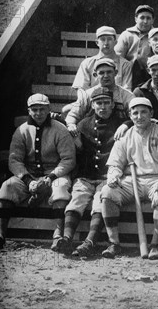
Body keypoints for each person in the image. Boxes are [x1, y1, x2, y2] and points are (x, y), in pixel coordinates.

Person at [0, 94, 76, 250]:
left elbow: (68, 159)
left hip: (54, 173)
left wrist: (51, 177)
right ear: (29, 111)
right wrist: (28, 180)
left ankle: (58, 236)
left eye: (42, 109)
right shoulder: (22, 130)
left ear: (49, 109)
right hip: (28, 174)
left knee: (61, 189)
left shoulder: (60, 129)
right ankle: (0, 236)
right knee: (7, 186)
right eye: (34, 110)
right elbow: (14, 160)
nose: (38, 113)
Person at [99, 97, 158, 259]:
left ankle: (155, 245)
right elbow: (115, 163)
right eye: (135, 113)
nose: (139, 116)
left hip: (156, 178)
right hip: (131, 181)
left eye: (143, 112)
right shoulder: (125, 136)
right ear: (130, 115)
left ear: (151, 114)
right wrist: (113, 176)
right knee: (107, 192)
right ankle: (114, 243)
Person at [57, 87, 125, 256]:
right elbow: (78, 150)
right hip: (86, 175)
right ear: (93, 105)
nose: (102, 107)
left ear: (113, 105)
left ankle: (90, 241)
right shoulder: (83, 124)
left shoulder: (121, 123)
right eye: (98, 103)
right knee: (76, 200)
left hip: (107, 176)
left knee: (98, 204)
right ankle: (66, 239)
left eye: (106, 103)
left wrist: (127, 124)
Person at [65, 58, 135, 137]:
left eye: (109, 72)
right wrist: (71, 125)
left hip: (119, 135)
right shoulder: (87, 95)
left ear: (115, 73)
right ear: (95, 75)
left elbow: (135, 116)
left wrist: (126, 125)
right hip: (93, 136)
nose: (106, 76)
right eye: (101, 73)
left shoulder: (127, 96)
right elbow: (73, 115)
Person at [72, 26, 132, 91]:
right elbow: (81, 89)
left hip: (117, 100)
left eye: (109, 39)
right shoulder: (87, 64)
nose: (106, 43)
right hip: (92, 99)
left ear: (115, 42)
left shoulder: (125, 65)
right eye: (102, 39)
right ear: (97, 42)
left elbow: (126, 91)